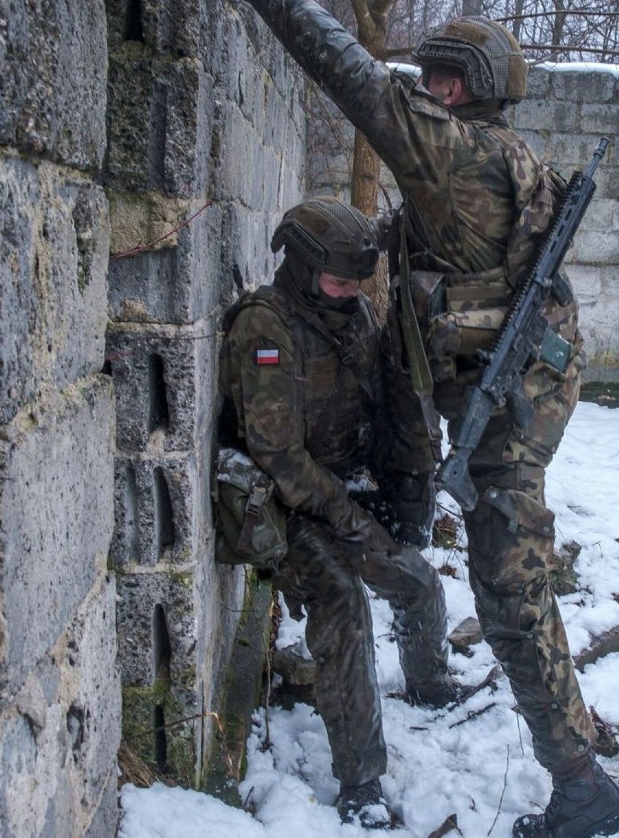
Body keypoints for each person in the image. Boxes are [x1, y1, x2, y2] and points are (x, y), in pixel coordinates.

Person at [215, 0, 619, 837]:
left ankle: (582, 784)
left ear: (474, 94)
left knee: (513, 596)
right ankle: (572, 762)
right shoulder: (501, 162)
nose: (428, 89)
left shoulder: (460, 153)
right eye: (430, 74)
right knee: (501, 588)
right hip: (512, 402)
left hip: (504, 416)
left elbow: (342, 66)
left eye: (446, 79)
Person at [217, 196, 456, 827]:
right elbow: (277, 458)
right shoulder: (265, 327)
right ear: (300, 263)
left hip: (344, 492)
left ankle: (432, 689)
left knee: (418, 580)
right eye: (339, 279)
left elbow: (383, 398)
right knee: (344, 604)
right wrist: (351, 519)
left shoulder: (354, 313)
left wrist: (402, 474)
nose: (351, 292)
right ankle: (362, 783)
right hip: (284, 511)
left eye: (358, 281)